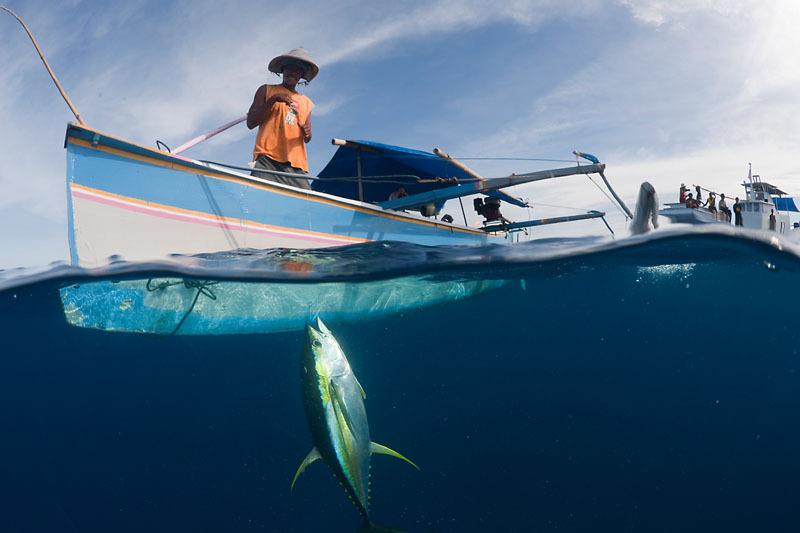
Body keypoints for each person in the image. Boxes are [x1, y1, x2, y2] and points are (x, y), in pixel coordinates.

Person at [247, 48, 318, 190]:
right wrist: (273, 100)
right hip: (267, 159)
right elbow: (251, 122)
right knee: (257, 196)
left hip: (296, 165)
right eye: (289, 67)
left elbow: (307, 137)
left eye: (297, 70)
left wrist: (308, 133)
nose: (292, 72)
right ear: (283, 70)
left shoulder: (307, 103)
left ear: (301, 76)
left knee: (305, 203)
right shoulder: (266, 90)